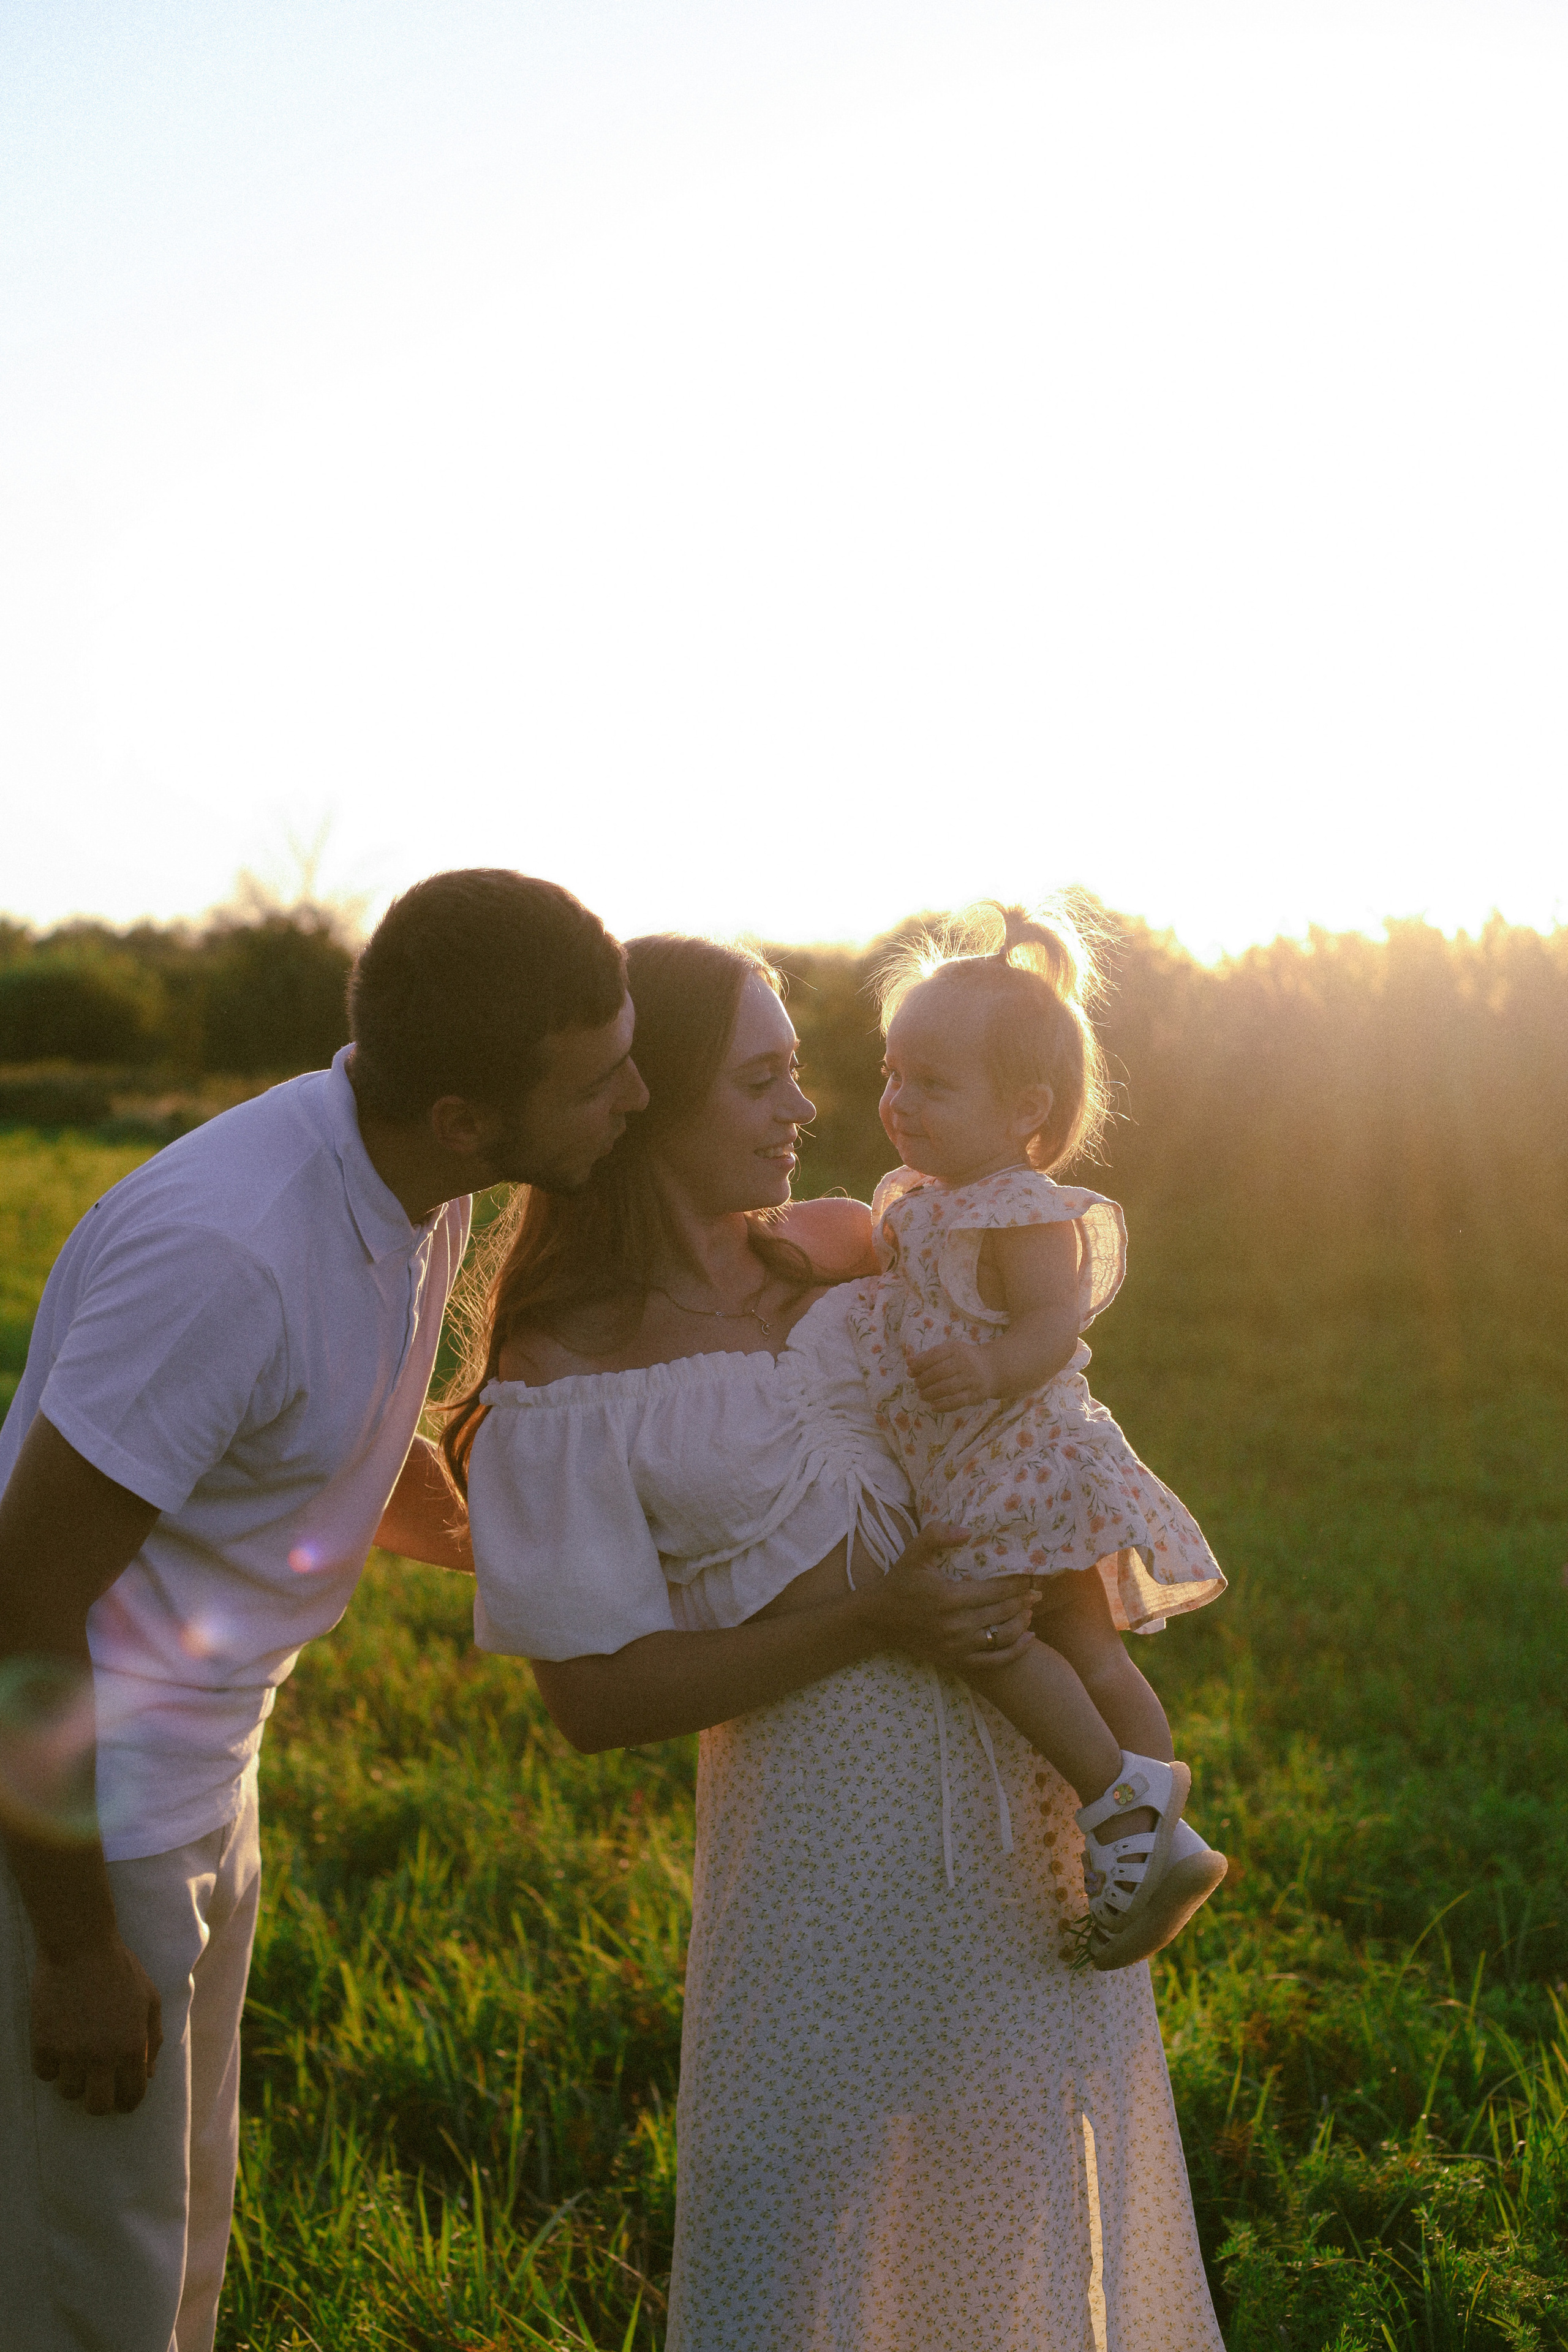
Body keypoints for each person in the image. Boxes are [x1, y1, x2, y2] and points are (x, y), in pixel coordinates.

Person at [445, 932, 1225, 2350]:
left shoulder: (853, 1246)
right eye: (760, 1081)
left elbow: (1015, 1398)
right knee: (795, 2222)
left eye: (799, 1073)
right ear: (648, 1103)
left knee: (1013, 2196)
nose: (803, 1110)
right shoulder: (565, 1374)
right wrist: (873, 1618)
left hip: (1021, 1802)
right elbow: (591, 1702)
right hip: (818, 1837)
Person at [0, 870, 647, 2352]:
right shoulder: (230, 1252)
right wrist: (81, 1950)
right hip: (85, 1824)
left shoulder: (415, 1178)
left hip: (204, 1784)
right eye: (604, 1075)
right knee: (85, 2288)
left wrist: (579, 1558)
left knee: (180, 2251)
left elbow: (345, 1451)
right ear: (468, 1119)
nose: (640, 1092)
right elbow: (19, 1594)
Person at [848, 899, 1228, 1969]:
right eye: (892, 1075)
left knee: (997, 1636)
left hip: (1023, 1457)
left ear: (1026, 1109)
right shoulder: (922, 1196)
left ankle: (1121, 1814)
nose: (897, 1102)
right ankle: (1155, 1839)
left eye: (930, 1084)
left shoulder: (1019, 1207)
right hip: (991, 1460)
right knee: (1079, 1635)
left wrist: (989, 1365)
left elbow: (1053, 1326)